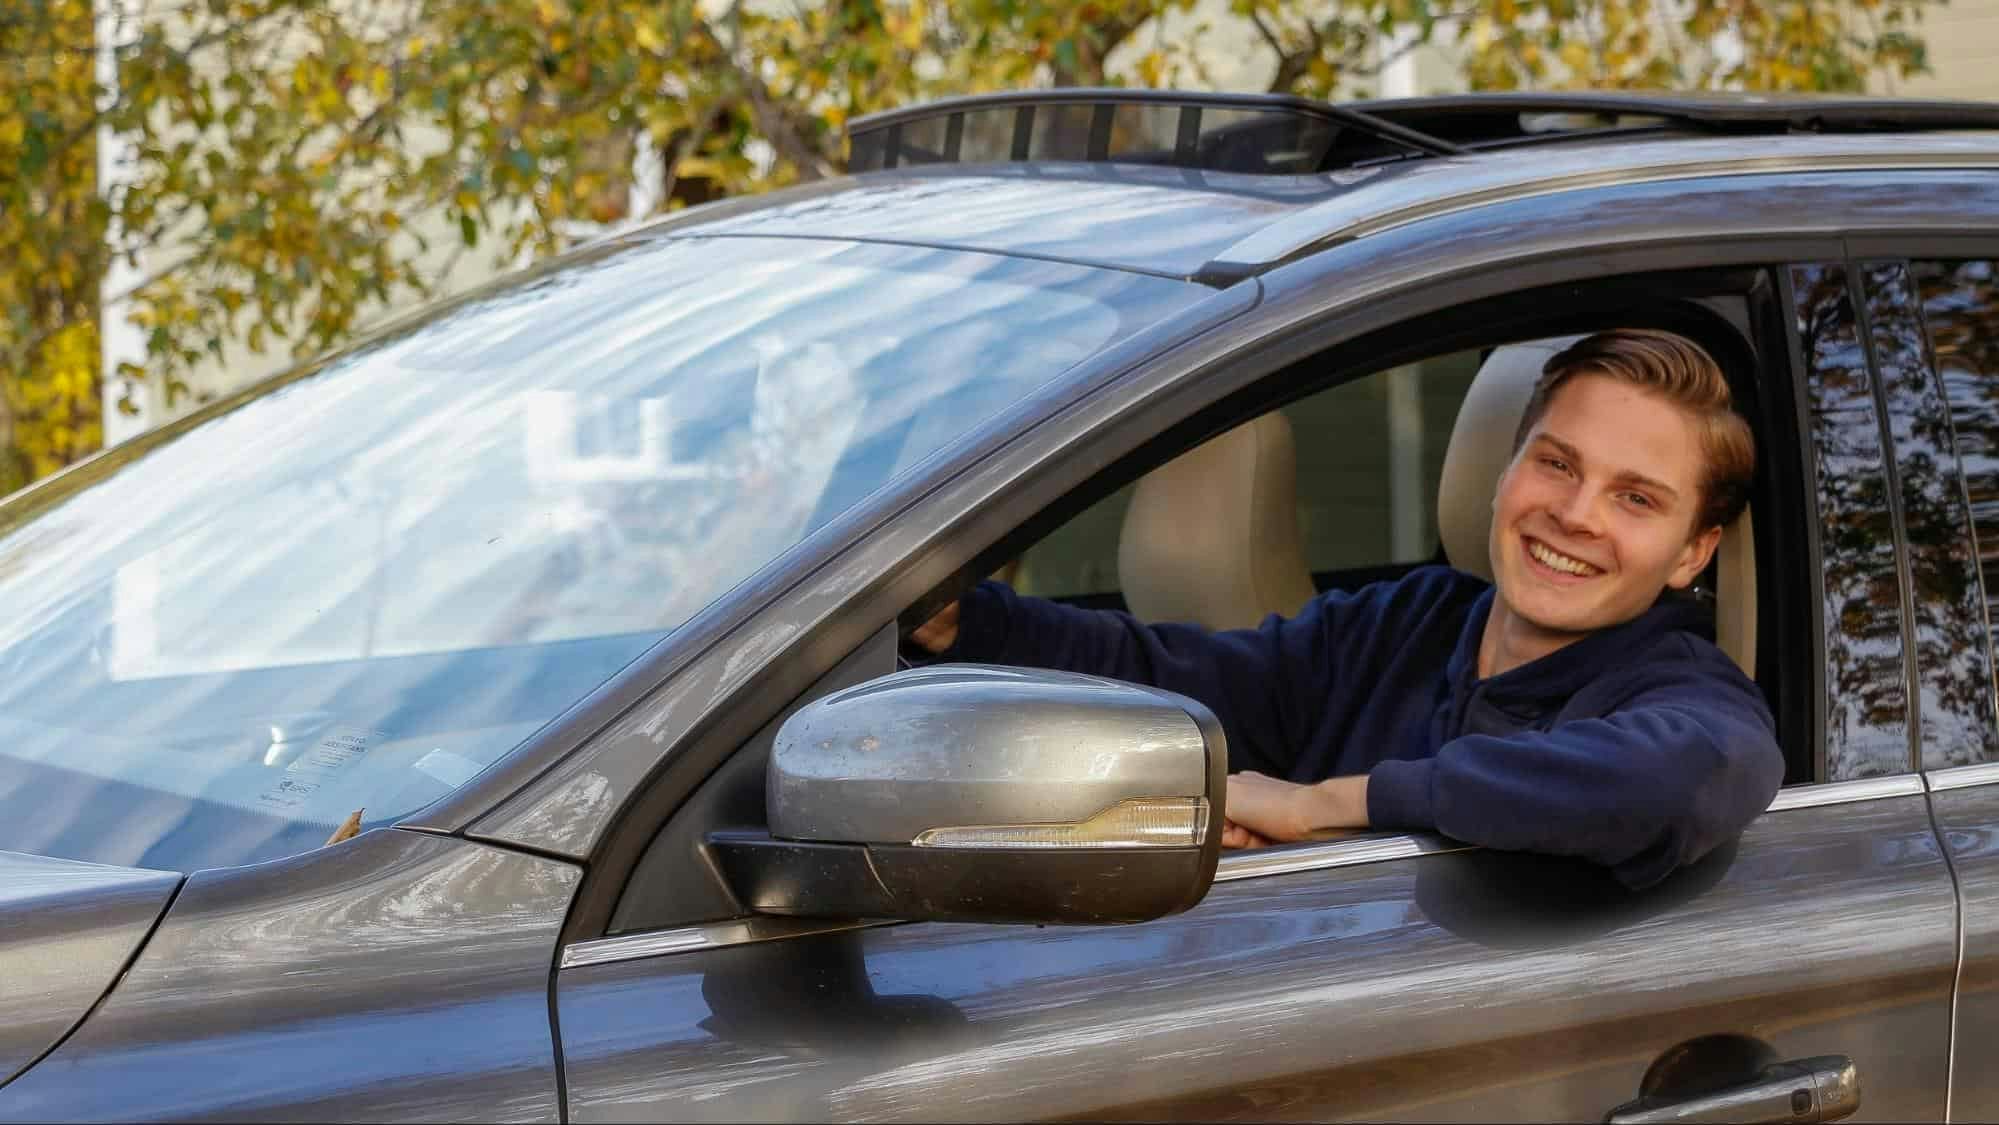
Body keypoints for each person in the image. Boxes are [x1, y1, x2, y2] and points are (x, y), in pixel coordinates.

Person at [908, 328, 1784, 890]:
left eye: (1635, 499)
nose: (1576, 513)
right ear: (1505, 468)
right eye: (1555, 463)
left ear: (1691, 552)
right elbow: (1180, 677)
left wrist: (1322, 807)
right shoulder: (1412, 620)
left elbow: (1698, 777)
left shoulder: (1679, 691)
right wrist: (964, 625)